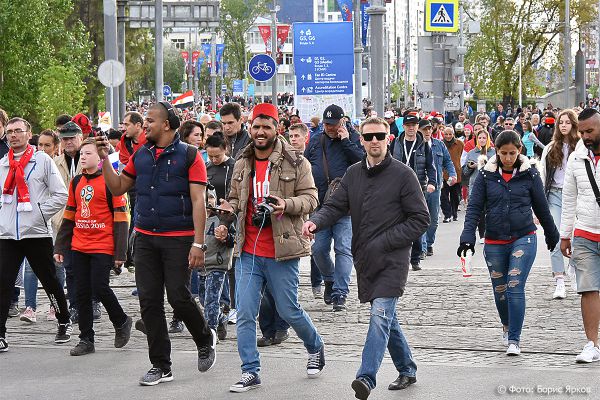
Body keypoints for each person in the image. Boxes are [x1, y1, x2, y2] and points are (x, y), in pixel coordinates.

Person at [303, 117, 430, 399]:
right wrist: (315, 222)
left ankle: (366, 377)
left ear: (389, 139)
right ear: (360, 139)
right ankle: (407, 367)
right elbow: (334, 206)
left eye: (379, 136)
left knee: (380, 315)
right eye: (369, 136)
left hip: (393, 260)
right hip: (366, 259)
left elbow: (421, 219)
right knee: (387, 318)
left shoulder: (403, 174)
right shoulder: (352, 174)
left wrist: (386, 241)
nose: (374, 141)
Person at [95, 101, 216, 385]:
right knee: (149, 301)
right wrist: (104, 159)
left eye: (150, 120)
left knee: (178, 295)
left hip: (179, 239)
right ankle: (161, 365)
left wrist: (198, 244)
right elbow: (118, 187)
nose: (144, 124)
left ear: (166, 125)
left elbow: (199, 201)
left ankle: (203, 338)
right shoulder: (141, 153)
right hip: (146, 238)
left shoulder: (189, 156)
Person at [219, 103, 325, 392]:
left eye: (267, 126)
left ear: (277, 128)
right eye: (256, 126)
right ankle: (250, 371)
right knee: (244, 314)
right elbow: (235, 199)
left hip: (282, 251)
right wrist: (226, 212)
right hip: (248, 252)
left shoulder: (297, 162)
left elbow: (312, 199)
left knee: (289, 310)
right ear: (249, 128)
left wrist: (285, 205)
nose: (260, 132)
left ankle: (315, 346)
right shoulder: (242, 162)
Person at [458, 130, 559, 356]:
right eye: (503, 153)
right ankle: (506, 326)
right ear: (497, 151)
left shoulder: (530, 174)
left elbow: (542, 207)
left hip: (523, 236)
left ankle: (514, 339)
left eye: (512, 153)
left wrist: (552, 234)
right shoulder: (485, 175)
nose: (508, 158)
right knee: (500, 290)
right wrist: (467, 237)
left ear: (519, 151)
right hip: (494, 240)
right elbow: (474, 208)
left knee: (515, 285)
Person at [54, 138, 133, 356]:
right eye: (82, 153)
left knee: (100, 287)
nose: (83, 157)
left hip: (103, 245)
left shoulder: (111, 182)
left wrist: (120, 253)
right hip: (79, 245)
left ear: (100, 158)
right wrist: (60, 246)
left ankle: (121, 320)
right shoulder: (76, 182)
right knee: (81, 292)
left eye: (88, 153)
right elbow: (69, 215)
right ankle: (86, 339)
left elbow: (121, 219)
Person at [0, 117, 72, 352]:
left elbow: (60, 194)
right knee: (3, 282)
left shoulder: (42, 161)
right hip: (8, 234)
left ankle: (63, 319)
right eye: (9, 131)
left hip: (36, 232)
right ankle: (1, 333)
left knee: (49, 279)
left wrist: (39, 213)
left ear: (28, 133)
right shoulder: (3, 164)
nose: (13, 135)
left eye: (18, 131)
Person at [304, 104, 364, 310]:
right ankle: (329, 278)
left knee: (343, 249)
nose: (330, 128)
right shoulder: (315, 141)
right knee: (318, 249)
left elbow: (363, 162)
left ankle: (340, 293)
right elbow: (304, 167)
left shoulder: (353, 139)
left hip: (345, 206)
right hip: (319, 206)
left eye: (334, 124)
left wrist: (346, 140)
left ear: (342, 122)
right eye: (326, 124)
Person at [559, 107, 600, 363]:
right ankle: (592, 344)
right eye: (582, 131)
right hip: (584, 231)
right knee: (588, 289)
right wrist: (565, 235)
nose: (585, 136)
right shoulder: (576, 158)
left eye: (590, 131)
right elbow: (569, 198)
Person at [20, 129, 63, 323]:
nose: (43, 149)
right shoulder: (30, 163)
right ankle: (30, 306)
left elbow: (62, 194)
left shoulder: (57, 164)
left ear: (55, 147)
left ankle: (57, 306)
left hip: (57, 220)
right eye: (40, 145)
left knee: (56, 264)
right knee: (30, 266)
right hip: (35, 222)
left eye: (48, 145)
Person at [540, 109, 580, 299]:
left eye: (567, 122)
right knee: (556, 238)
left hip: (576, 197)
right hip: (554, 195)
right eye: (560, 122)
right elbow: (543, 177)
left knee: (576, 238)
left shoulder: (581, 147)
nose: (563, 125)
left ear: (574, 125)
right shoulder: (550, 148)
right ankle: (559, 280)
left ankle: (575, 271)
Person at [391, 111, 436, 271]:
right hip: (397, 187)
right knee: (396, 222)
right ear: (403, 127)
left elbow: (431, 166)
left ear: (417, 127)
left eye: (414, 125)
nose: (411, 128)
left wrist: (432, 182)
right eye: (408, 125)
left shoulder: (424, 144)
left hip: (417, 187)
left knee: (416, 222)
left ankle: (415, 258)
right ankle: (399, 257)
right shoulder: (396, 143)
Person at [197, 187, 235, 342]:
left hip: (217, 265)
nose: (208, 201)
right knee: (203, 299)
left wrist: (225, 237)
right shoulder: (196, 219)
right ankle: (221, 319)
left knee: (211, 300)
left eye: (211, 198)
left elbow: (233, 240)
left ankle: (210, 334)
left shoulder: (222, 219)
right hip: (201, 265)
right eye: (205, 198)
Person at [419, 120, 456, 257]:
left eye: (429, 129)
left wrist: (452, 175)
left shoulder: (439, 145)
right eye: (424, 129)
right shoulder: (416, 146)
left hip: (435, 188)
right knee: (421, 217)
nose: (427, 132)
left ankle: (429, 243)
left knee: (433, 219)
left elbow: (448, 161)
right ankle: (422, 247)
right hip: (420, 187)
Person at [462, 129, 496, 243]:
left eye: (484, 138)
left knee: (490, 209)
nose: (482, 140)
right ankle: (482, 234)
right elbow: (465, 173)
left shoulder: (494, 152)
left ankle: (489, 232)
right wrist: (470, 166)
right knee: (480, 210)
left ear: (488, 139)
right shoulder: (472, 152)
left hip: (491, 184)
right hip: (476, 184)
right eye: (480, 138)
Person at [440, 126, 463, 224]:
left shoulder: (460, 144)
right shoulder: (440, 144)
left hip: (456, 174)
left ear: (453, 134)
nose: (448, 136)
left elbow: (462, 156)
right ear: (443, 134)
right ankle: (447, 215)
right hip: (443, 174)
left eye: (450, 134)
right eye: (446, 134)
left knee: (456, 196)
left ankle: (454, 213)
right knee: (443, 196)